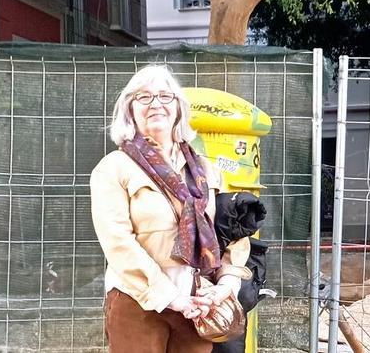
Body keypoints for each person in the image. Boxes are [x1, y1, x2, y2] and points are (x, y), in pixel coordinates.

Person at [90, 65, 251, 352]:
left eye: (165, 96)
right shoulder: (114, 167)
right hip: (137, 300)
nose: (156, 104)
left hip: (199, 303)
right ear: (129, 110)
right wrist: (169, 296)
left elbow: (230, 233)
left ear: (178, 108)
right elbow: (117, 243)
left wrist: (225, 286)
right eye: (144, 97)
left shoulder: (204, 169)